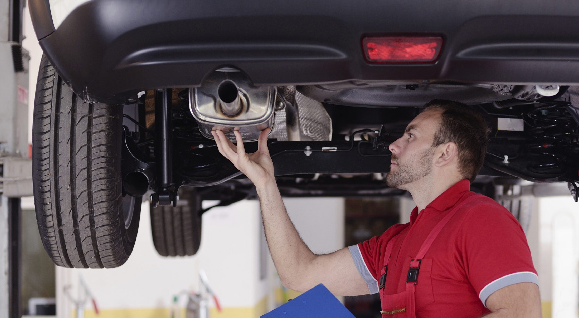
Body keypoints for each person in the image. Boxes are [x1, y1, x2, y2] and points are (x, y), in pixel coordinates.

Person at [213, 99, 541, 318]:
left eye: (411, 136)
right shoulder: (394, 244)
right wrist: (265, 183)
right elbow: (300, 274)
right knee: (303, 312)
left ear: (445, 154)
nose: (394, 145)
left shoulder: (483, 220)